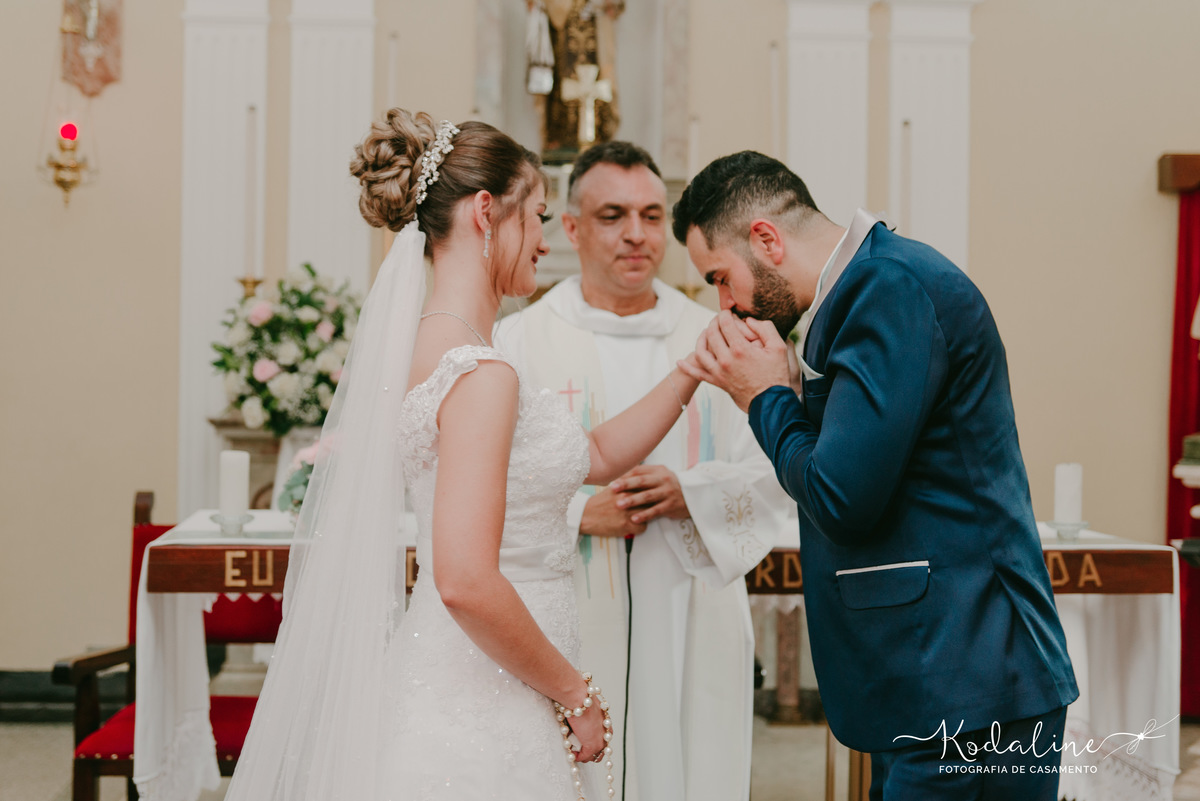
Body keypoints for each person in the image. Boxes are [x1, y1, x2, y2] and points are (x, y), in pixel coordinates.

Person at [224, 109, 702, 801]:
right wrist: (575, 691)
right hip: (490, 697)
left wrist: (691, 368)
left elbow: (590, 453)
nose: (544, 240)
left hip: (454, 672)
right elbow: (466, 578)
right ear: (486, 212)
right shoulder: (481, 372)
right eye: (536, 216)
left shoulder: (434, 347)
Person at [673, 151, 1079, 800]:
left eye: (720, 278)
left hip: (964, 678)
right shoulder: (867, 290)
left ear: (767, 239)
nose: (726, 303)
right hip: (938, 678)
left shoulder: (888, 288)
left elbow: (842, 495)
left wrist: (764, 398)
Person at [495, 141, 789, 801]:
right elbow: (484, 491)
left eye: (653, 215)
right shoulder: (522, 342)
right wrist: (576, 511)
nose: (636, 234)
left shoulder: (722, 334)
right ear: (570, 228)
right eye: (612, 215)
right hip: (566, 602)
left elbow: (781, 468)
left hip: (690, 601)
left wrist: (693, 492)